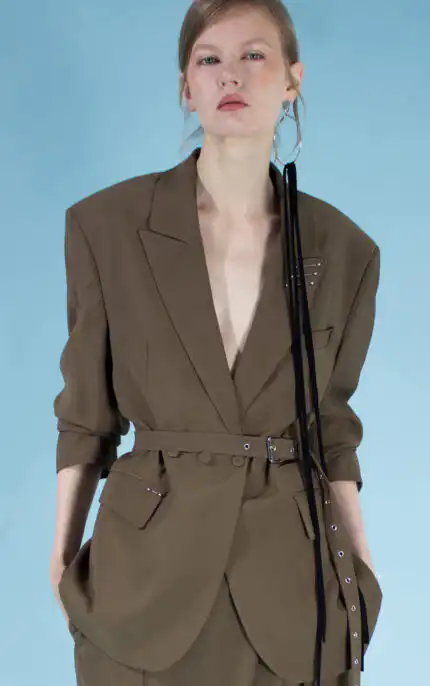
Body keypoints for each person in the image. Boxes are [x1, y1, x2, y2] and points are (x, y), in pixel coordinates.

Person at [49, 2, 383, 685]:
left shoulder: (345, 249)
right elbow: (86, 418)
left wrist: (363, 567)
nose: (231, 74)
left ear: (292, 80)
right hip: (141, 581)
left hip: (294, 587)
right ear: (186, 86)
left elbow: (331, 426)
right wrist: (59, 562)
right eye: (210, 58)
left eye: (254, 55)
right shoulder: (105, 227)